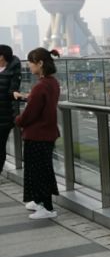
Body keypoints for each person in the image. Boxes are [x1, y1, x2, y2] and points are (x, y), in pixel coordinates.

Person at [14, 47, 61, 220]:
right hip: (47, 133)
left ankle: (47, 207)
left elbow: (29, 114)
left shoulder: (40, 86)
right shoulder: (52, 82)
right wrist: (27, 97)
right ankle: (39, 201)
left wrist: (17, 120)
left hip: (37, 135)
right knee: (42, 169)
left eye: (31, 62)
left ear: (40, 63)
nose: (29, 66)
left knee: (39, 172)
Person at [0, 45, 22, 177]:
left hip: (4, 116)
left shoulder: (13, 71)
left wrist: (14, 93)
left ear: (2, 57)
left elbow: (12, 91)